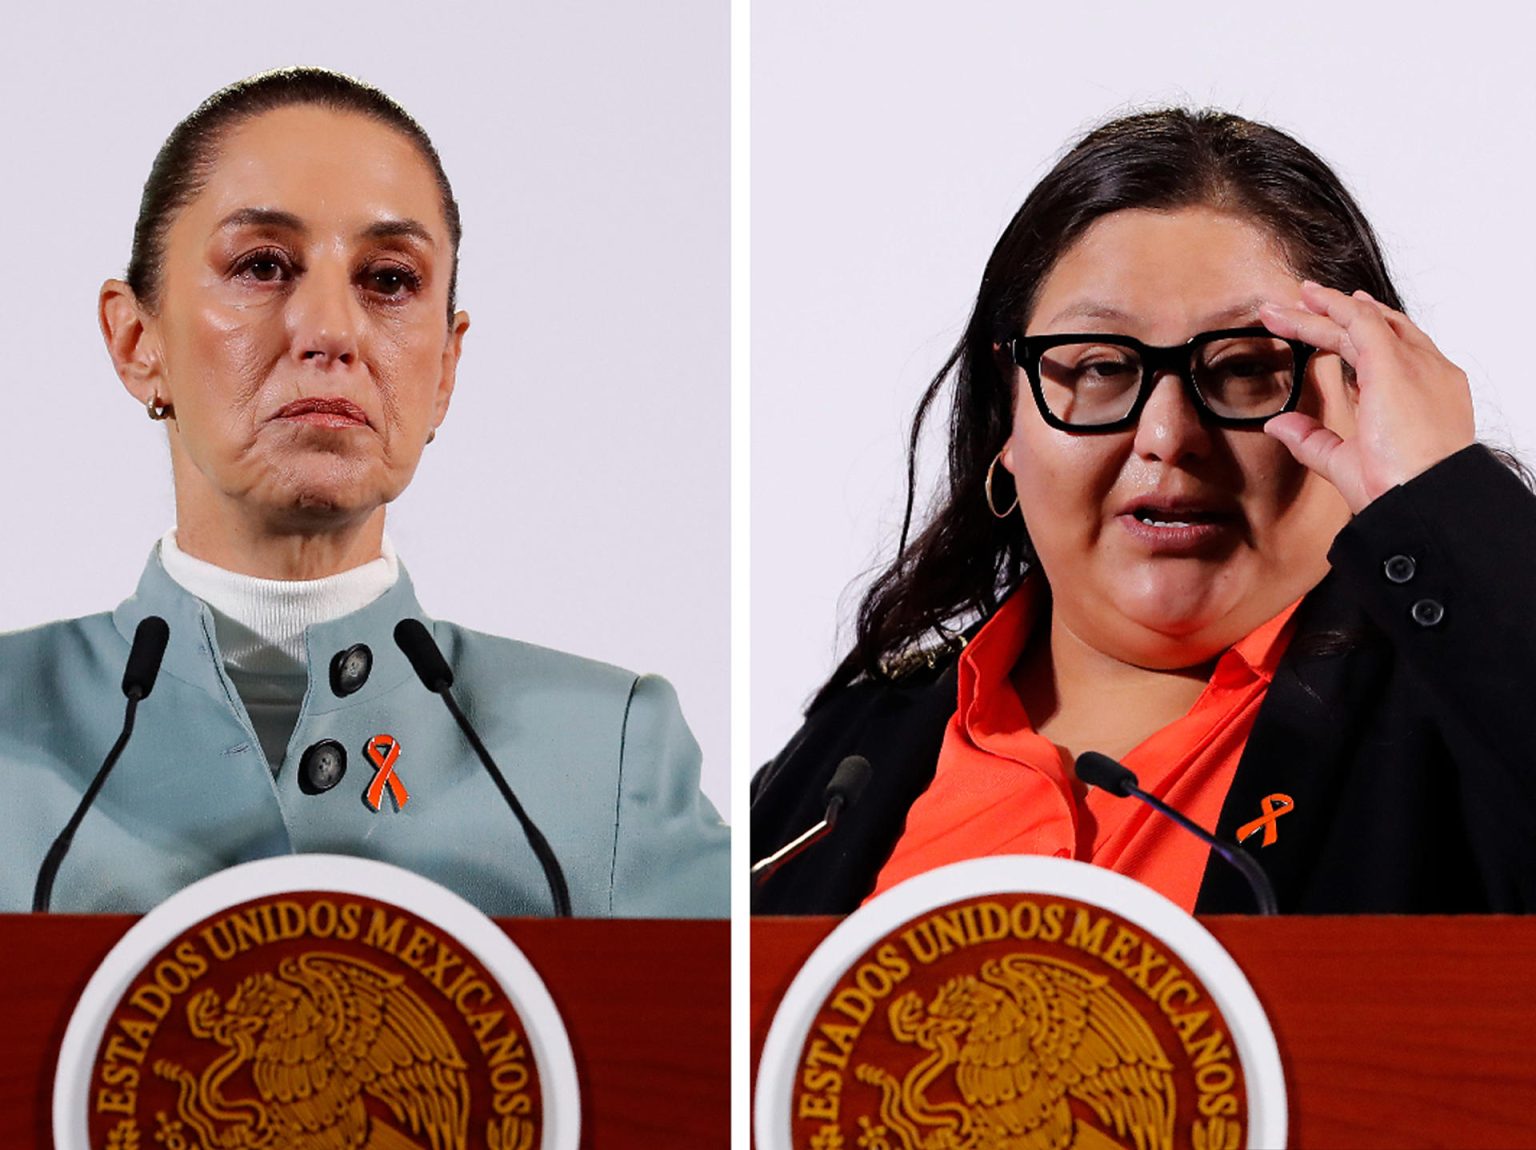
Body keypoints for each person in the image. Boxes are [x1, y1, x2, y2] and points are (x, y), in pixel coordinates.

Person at [751, 108, 1536, 916]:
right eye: (1098, 366)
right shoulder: (848, 760)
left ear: (1360, 396)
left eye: (1241, 369)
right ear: (1007, 417)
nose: (1168, 436)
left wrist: (1444, 496)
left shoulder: (1467, 729)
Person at [0, 68, 728, 917]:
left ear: (446, 368)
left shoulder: (606, 752)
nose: (331, 332)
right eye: (263, 265)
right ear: (136, 340)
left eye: (388, 281)